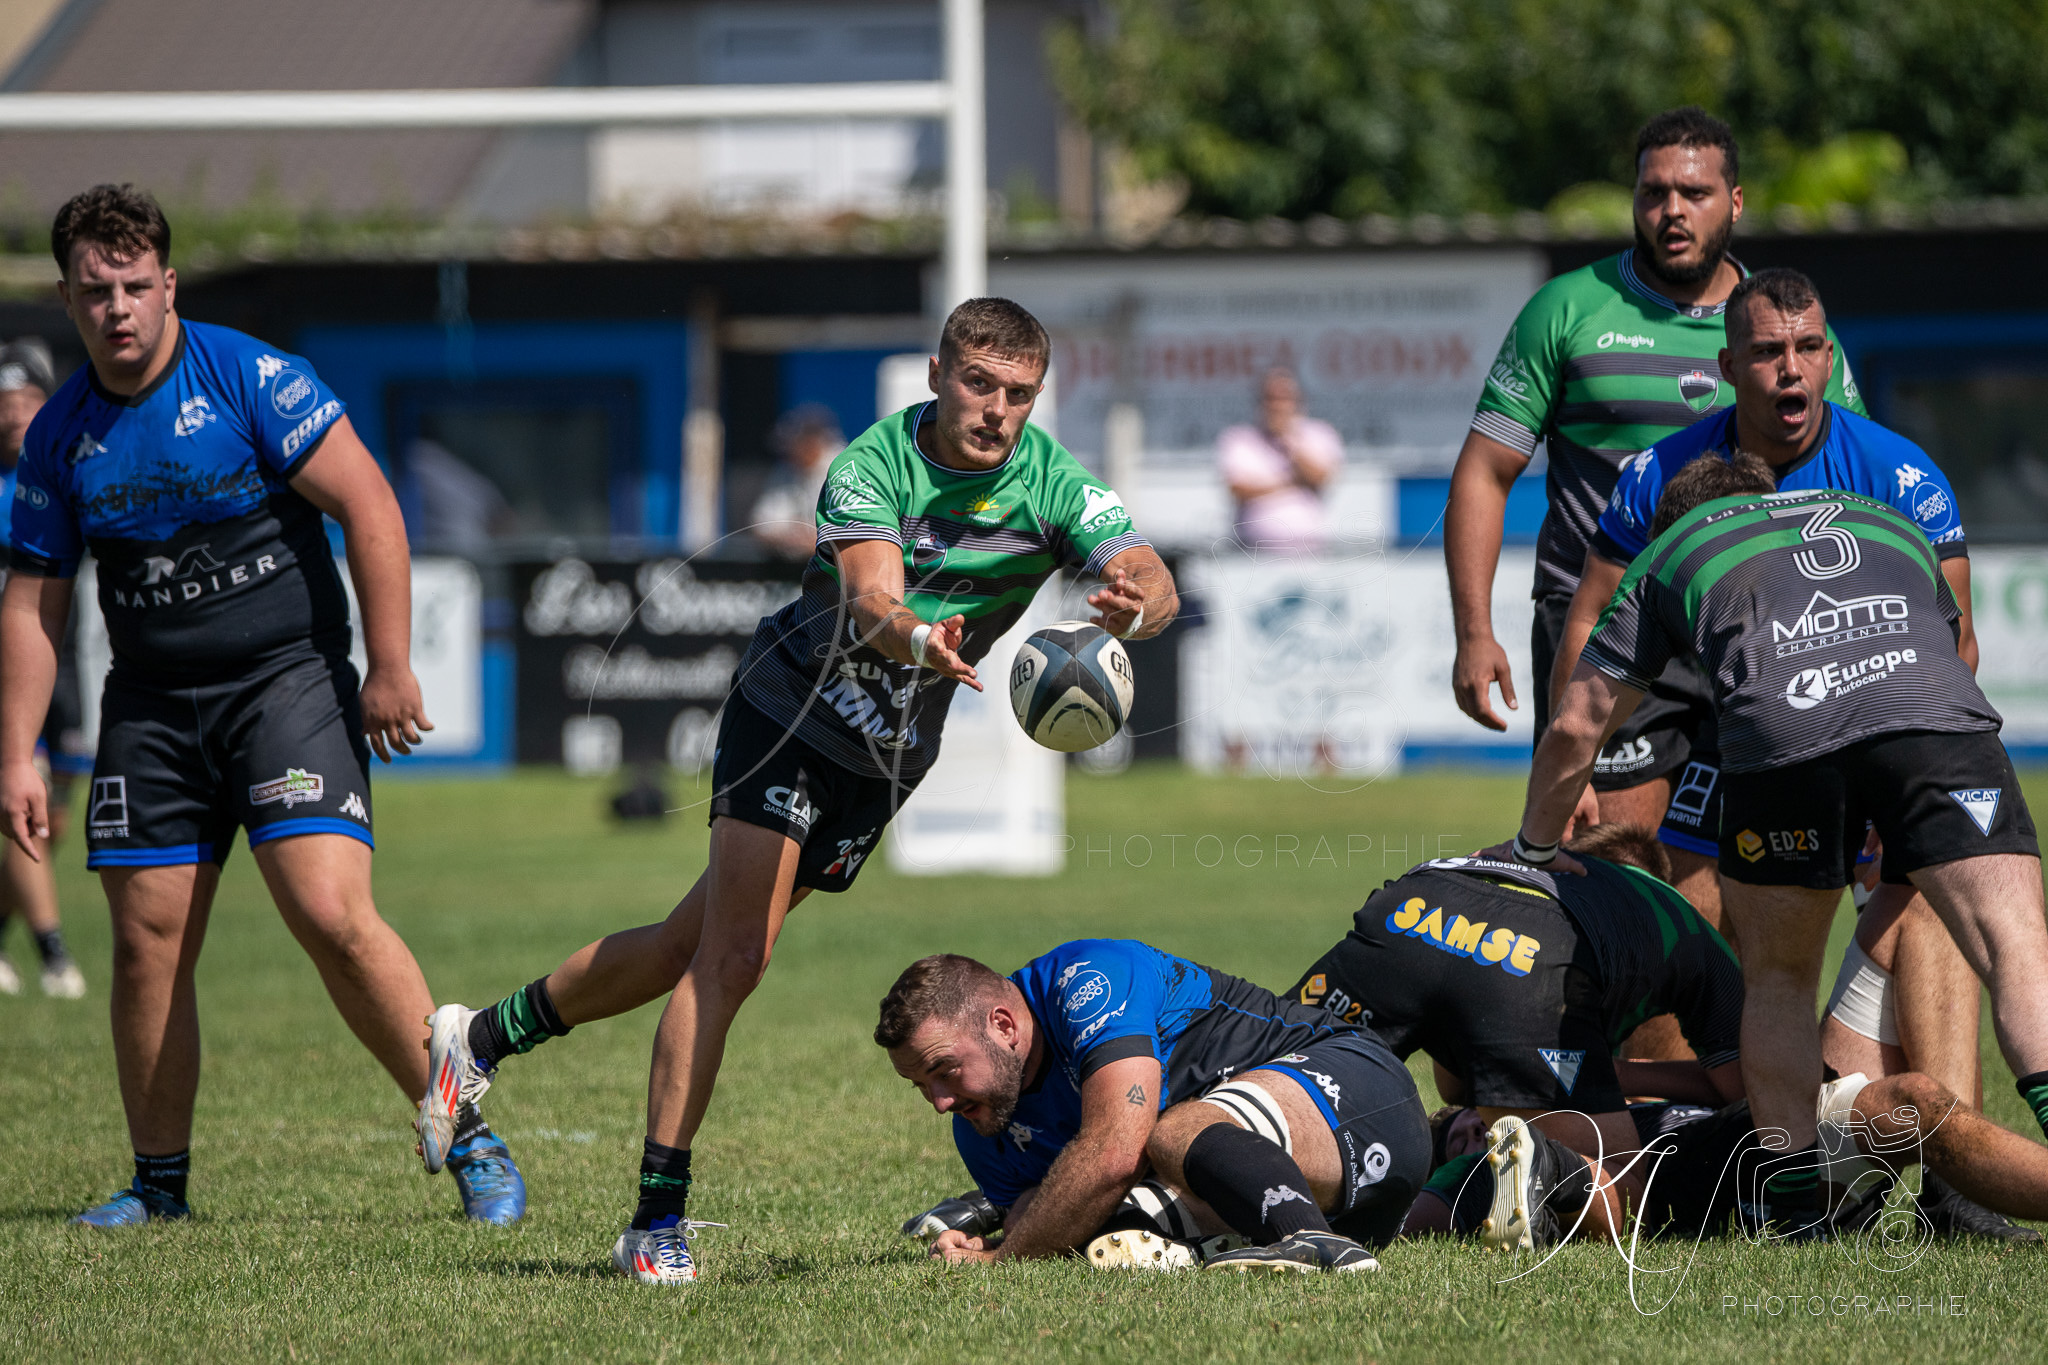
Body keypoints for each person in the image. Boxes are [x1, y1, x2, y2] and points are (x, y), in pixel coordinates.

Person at [416, 298, 1180, 1286]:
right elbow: (868, 595)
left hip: (887, 759)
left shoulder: (1054, 484)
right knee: (734, 957)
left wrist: (1136, 602)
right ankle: (655, 1222)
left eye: (1018, 395)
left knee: (687, 946)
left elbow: (1146, 567)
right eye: (979, 385)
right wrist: (916, 637)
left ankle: (476, 1039)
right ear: (941, 375)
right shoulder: (870, 465)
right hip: (788, 709)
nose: (995, 410)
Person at [0, 184, 525, 1226]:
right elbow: (31, 603)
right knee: (146, 940)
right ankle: (158, 1188)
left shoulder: (250, 378)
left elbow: (370, 503)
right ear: (66, 298)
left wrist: (388, 664)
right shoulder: (58, 436)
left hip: (285, 684)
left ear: (169, 285)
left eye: (137, 287)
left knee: (329, 912)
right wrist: (16, 752)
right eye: (96, 291)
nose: (119, 310)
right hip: (150, 706)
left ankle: (470, 1138)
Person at [1499, 451, 2048, 1236]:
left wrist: (1534, 849)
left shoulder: (1670, 553)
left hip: (1784, 729)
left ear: (1675, 521)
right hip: (1937, 716)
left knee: (1781, 978)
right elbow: (1951, 647)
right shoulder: (1888, 519)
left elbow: (1578, 722)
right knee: (2016, 942)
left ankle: (1792, 1209)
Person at [1554, 264, 1989, 1127]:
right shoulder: (1663, 473)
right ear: (1727, 367)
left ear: (1829, 359)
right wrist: (1573, 768)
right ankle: (1714, 1135)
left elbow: (1957, 643)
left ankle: (1954, 1178)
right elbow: (1593, 616)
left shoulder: (1897, 475)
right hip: (1727, 728)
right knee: (1687, 935)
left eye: (1805, 349)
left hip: (1877, 727)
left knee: (1934, 909)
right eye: (1765, 352)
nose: (1789, 369)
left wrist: (1893, 789)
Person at [1446, 106, 1864, 938]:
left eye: (1695, 192)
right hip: (1605, 621)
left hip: (1754, 626)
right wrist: (1473, 631)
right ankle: (1623, 1061)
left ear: (1735, 202)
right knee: (1612, 858)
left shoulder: (1785, 330)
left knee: (1752, 864)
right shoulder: (1564, 311)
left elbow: (1842, 484)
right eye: (1653, 192)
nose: (1672, 210)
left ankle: (1726, 1058)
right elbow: (1485, 471)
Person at [1287, 824, 1743, 1248]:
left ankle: (1239, 1166)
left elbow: (1460, 1086)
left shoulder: (1522, 865)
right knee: (1630, 1190)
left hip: (1411, 904)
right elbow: (1744, 1089)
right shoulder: (1678, 921)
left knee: (1284, 1067)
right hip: (1529, 961)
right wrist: (1628, 1077)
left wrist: (1613, 1074)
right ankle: (1546, 1165)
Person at [876, 942, 1430, 1272]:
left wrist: (999, 1263)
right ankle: (1255, 1240)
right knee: (1109, 1221)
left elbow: (1114, 1152)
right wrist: (993, 1241)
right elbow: (1040, 1215)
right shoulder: (981, 1125)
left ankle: (1312, 1244)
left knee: (1169, 1132)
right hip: (1336, 1198)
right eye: (920, 1086)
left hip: (1361, 1090)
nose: (941, 1102)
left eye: (945, 1070)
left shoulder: (1088, 980)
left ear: (1002, 1025)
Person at [0, 337, 84, 998]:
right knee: (28, 803)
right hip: (13, 673)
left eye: (26, 399)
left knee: (57, 810)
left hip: (71, 668)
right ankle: (54, 954)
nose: (14, 414)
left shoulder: (62, 468)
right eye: (4, 403)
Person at [1216, 368, 1341, 554]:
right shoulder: (1240, 439)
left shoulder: (1318, 434)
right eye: (1271, 399)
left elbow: (1320, 478)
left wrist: (1288, 440)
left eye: (1284, 399)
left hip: (1307, 550)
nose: (1276, 406)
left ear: (1298, 402)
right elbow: (1238, 489)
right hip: (1253, 551)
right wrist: (1291, 483)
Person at [750, 404, 843, 559]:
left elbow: (858, 528)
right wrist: (790, 537)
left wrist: (818, 539)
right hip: (795, 565)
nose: (789, 451)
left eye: (797, 443)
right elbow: (761, 525)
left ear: (815, 441)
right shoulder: (784, 471)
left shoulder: (845, 467)